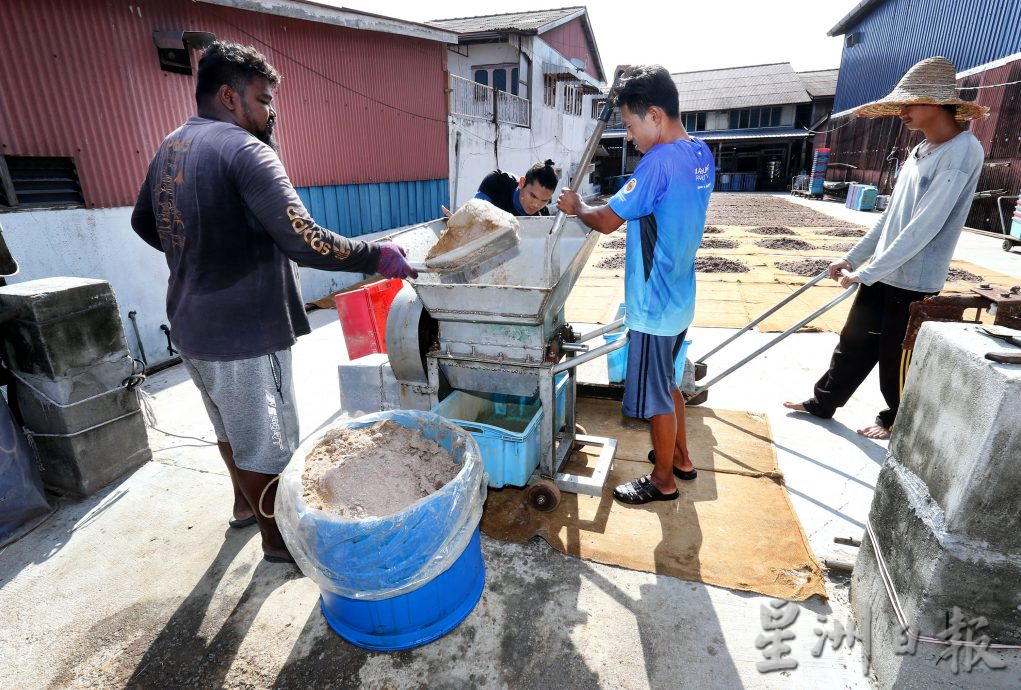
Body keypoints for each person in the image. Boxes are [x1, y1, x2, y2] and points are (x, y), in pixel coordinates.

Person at [131, 41, 416, 563]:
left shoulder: (172, 145)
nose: (270, 113)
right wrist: (379, 255)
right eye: (263, 101)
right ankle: (280, 542)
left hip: (191, 326)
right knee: (268, 443)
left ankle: (245, 506)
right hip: (245, 334)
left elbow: (144, 223)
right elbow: (303, 239)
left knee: (230, 429)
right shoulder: (245, 150)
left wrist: (199, 251)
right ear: (228, 96)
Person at [784, 56, 986, 440]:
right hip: (884, 269)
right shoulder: (920, 150)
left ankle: (895, 419)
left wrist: (868, 272)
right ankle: (822, 401)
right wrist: (853, 258)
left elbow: (924, 227)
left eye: (909, 104)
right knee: (854, 340)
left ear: (936, 103)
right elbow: (891, 218)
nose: (902, 113)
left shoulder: (962, 151)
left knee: (896, 355)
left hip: (914, 277)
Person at [557, 65, 714, 505]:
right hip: (681, 294)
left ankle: (662, 481)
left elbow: (606, 221)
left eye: (629, 125)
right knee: (668, 385)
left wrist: (577, 205)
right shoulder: (700, 152)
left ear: (655, 114)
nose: (629, 136)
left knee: (657, 398)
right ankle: (680, 458)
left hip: (653, 305)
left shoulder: (657, 163)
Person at [443, 160, 558, 218]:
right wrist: (460, 222)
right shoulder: (496, 183)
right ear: (522, 183)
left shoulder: (542, 217)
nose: (537, 205)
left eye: (544, 201)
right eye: (533, 196)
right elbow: (475, 213)